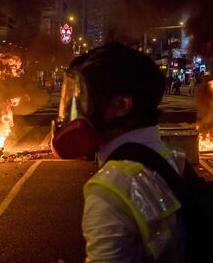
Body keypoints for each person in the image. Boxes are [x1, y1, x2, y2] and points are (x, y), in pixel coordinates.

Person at [51, 43, 186, 261]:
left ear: (121, 105)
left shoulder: (111, 189)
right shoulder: (172, 157)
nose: (76, 113)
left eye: (83, 99)